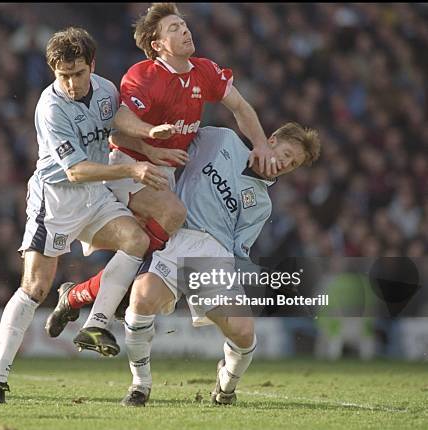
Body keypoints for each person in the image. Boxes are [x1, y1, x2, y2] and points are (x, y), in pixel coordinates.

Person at [46, 2, 282, 355]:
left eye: (183, 25)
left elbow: (240, 107)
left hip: (164, 172)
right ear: (157, 45)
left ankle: (79, 295)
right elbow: (121, 122)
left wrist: (262, 143)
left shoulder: (205, 72)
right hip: (130, 163)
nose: (185, 31)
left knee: (149, 242)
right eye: (173, 29)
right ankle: (98, 312)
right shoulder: (144, 75)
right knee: (172, 217)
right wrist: (151, 136)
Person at [0, 27, 170, 405]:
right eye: (62, 75)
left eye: (77, 73)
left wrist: (149, 137)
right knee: (35, 288)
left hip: (94, 196)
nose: (70, 83)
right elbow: (75, 171)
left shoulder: (106, 90)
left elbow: (117, 120)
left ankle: (95, 324)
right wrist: (132, 171)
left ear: (91, 66)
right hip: (56, 200)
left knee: (137, 240)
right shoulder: (50, 108)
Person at [119, 123, 320, 406]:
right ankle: (140, 385)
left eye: (293, 163)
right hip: (177, 234)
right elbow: (180, 139)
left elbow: (239, 251)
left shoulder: (262, 204)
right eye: (286, 154)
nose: (285, 164)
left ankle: (225, 385)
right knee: (142, 298)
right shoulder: (222, 139)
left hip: (215, 254)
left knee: (243, 331)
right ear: (270, 140)